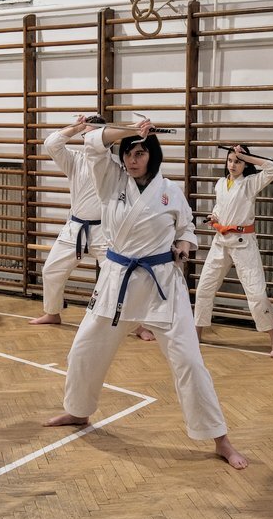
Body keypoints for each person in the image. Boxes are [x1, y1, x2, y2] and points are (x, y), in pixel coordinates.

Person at [44, 116, 248, 468]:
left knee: (189, 362)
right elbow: (93, 144)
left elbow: (187, 230)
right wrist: (131, 132)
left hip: (162, 286)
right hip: (117, 280)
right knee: (84, 351)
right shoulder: (109, 179)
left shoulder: (171, 191)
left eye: (140, 153)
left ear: (152, 155)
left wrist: (184, 244)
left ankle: (220, 439)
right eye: (128, 154)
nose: (133, 160)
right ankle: (78, 412)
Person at [31, 116, 155, 342]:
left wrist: (134, 131)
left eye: (93, 134)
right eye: (85, 135)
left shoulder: (117, 168)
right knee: (51, 270)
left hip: (105, 232)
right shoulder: (74, 160)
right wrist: (76, 127)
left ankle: (137, 325)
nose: (88, 138)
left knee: (121, 276)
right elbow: (51, 143)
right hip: (75, 227)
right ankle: (52, 312)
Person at [192, 144, 273, 357]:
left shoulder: (250, 183)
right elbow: (220, 208)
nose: (233, 164)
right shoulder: (221, 183)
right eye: (231, 160)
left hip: (244, 243)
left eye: (238, 161)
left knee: (257, 293)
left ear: (245, 164)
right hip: (220, 241)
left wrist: (247, 156)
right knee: (204, 288)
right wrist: (214, 217)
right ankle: (196, 336)